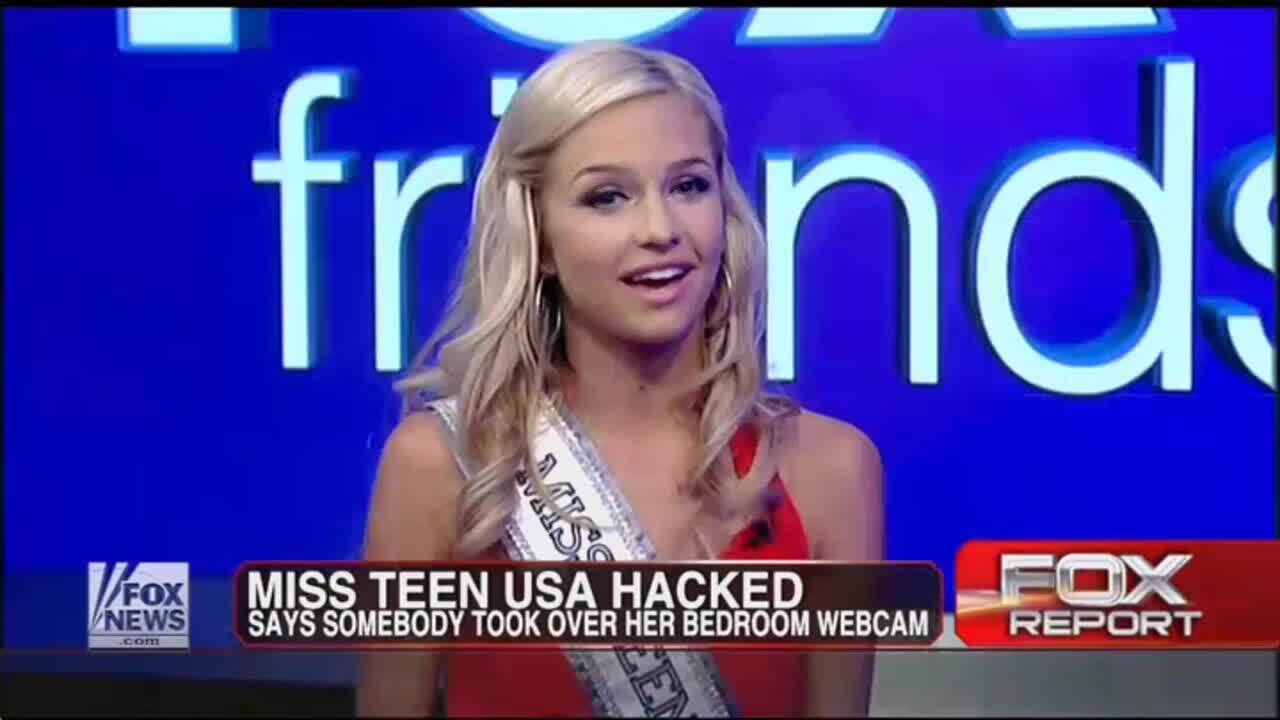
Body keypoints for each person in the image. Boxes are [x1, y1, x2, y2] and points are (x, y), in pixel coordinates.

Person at [358, 40, 884, 718]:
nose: (660, 229)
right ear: (540, 238)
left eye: (688, 186)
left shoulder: (833, 472)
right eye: (607, 198)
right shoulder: (443, 466)